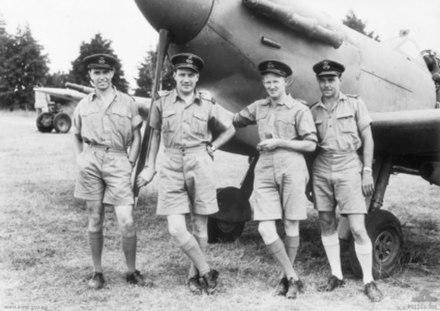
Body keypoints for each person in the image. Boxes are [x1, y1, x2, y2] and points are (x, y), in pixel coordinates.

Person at [137, 53, 235, 295]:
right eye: (182, 74)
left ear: (197, 77)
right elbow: (155, 136)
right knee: (176, 229)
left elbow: (230, 128)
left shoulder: (207, 102)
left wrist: (213, 146)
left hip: (200, 162)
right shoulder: (162, 102)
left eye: (191, 75)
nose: (186, 79)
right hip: (171, 163)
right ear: (175, 76)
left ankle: (194, 276)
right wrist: (150, 166)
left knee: (201, 227)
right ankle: (207, 271)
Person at [233, 60, 317, 299]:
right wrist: (207, 101)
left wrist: (280, 142)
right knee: (264, 226)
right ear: (263, 83)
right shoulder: (258, 107)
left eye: (275, 81)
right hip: (264, 168)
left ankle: (285, 279)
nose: (271, 86)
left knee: (291, 224)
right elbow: (235, 119)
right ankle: (292, 276)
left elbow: (311, 144)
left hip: (291, 167)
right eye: (267, 82)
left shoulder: (299, 109)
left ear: (285, 82)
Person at [72, 53, 149, 289]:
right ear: (90, 76)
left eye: (106, 72)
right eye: (96, 72)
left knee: (126, 221)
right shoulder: (83, 104)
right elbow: (75, 134)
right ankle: (97, 272)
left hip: (118, 159)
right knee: (95, 217)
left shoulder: (128, 102)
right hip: (91, 161)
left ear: (113, 74)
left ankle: (131, 271)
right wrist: (80, 159)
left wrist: (131, 161)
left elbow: (137, 136)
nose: (101, 76)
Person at [310, 59, 383, 302]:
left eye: (331, 79)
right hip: (321, 167)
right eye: (323, 80)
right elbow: (311, 146)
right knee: (326, 223)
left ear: (340, 80)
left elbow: (368, 139)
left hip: (349, 165)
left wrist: (367, 171)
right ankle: (336, 274)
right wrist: (311, 179)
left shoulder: (354, 103)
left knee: (357, 227)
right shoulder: (314, 110)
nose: (327, 84)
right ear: (318, 82)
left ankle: (368, 280)